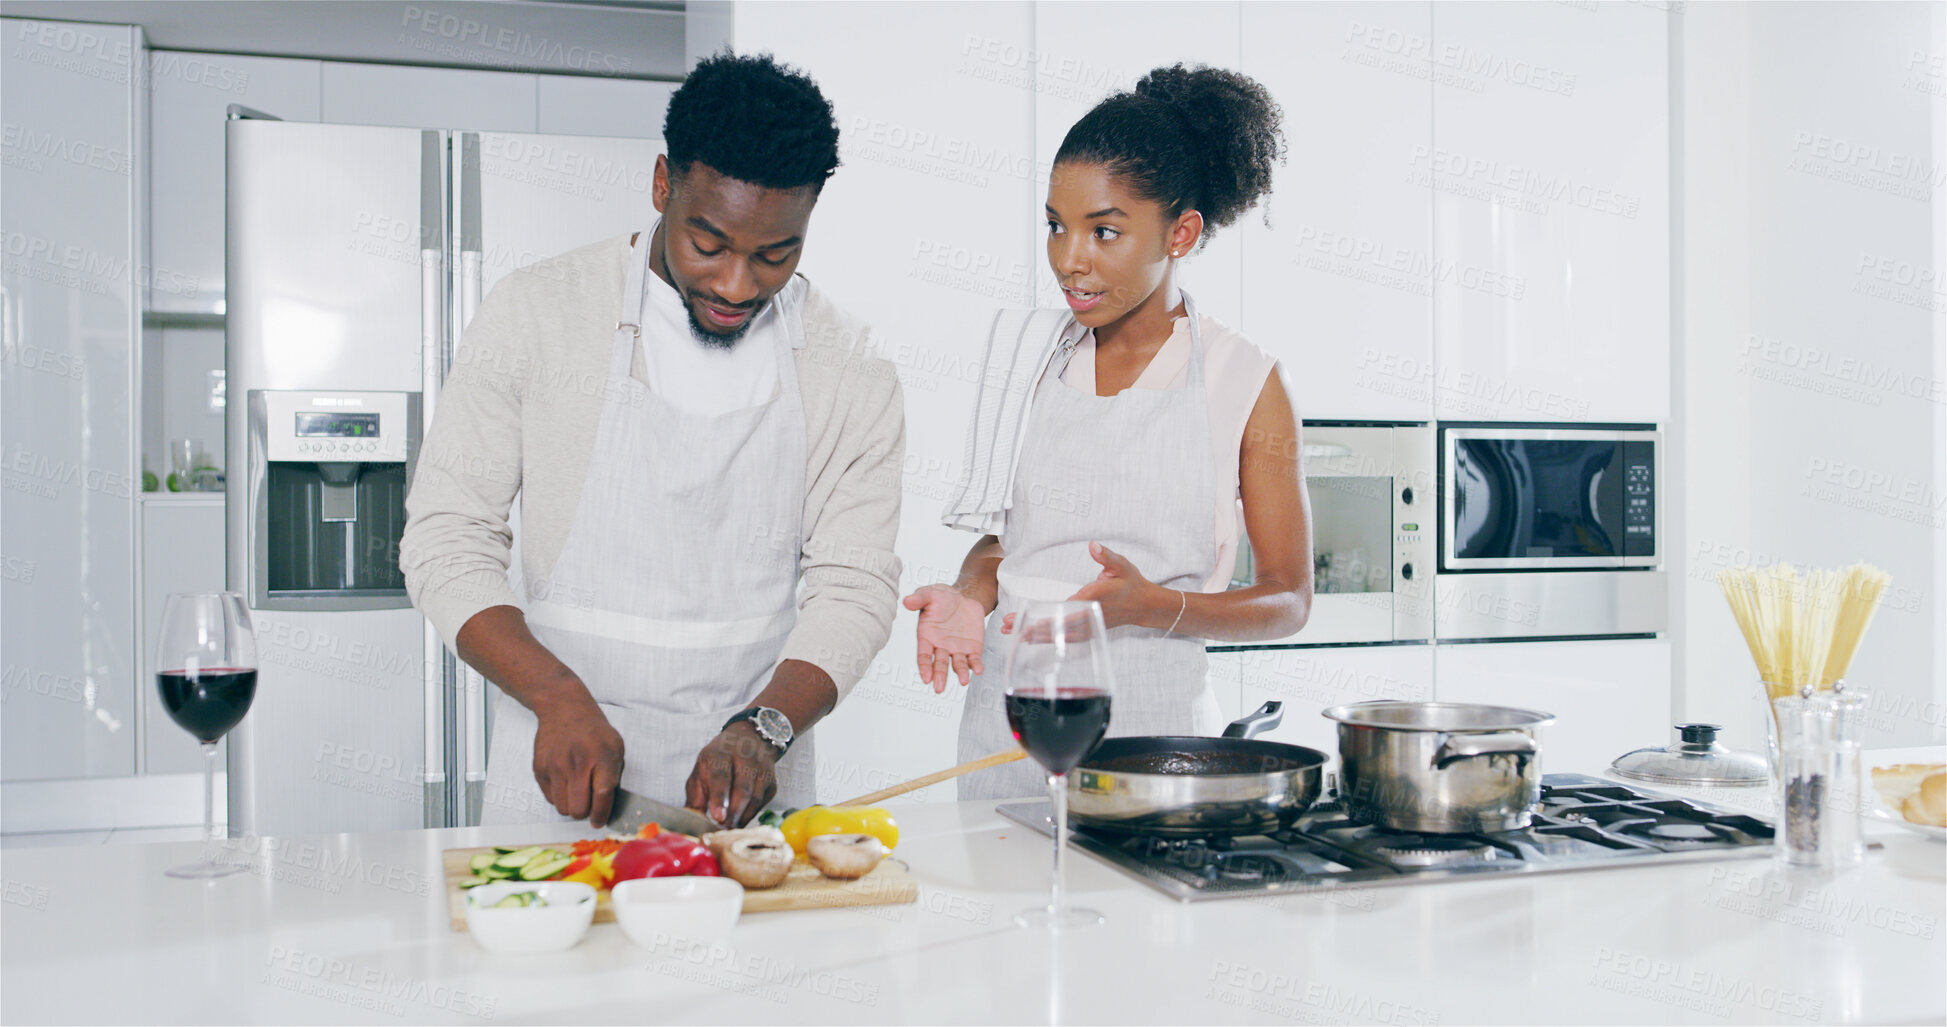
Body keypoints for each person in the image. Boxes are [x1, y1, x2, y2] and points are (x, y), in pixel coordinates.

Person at [400, 52, 904, 829]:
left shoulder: (849, 366)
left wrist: (764, 725)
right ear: (663, 184)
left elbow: (855, 586)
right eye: (710, 243)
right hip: (564, 778)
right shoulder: (538, 313)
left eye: (775, 254)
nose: (738, 284)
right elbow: (445, 538)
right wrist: (555, 696)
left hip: (753, 792)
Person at [906, 64, 1314, 800]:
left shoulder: (1242, 380)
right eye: (1056, 226)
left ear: (1180, 231)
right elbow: (1011, 539)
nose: (1069, 259)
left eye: (1104, 231)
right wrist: (972, 591)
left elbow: (1288, 598)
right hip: (1008, 725)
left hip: (1151, 742)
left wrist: (1148, 605)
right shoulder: (1027, 353)